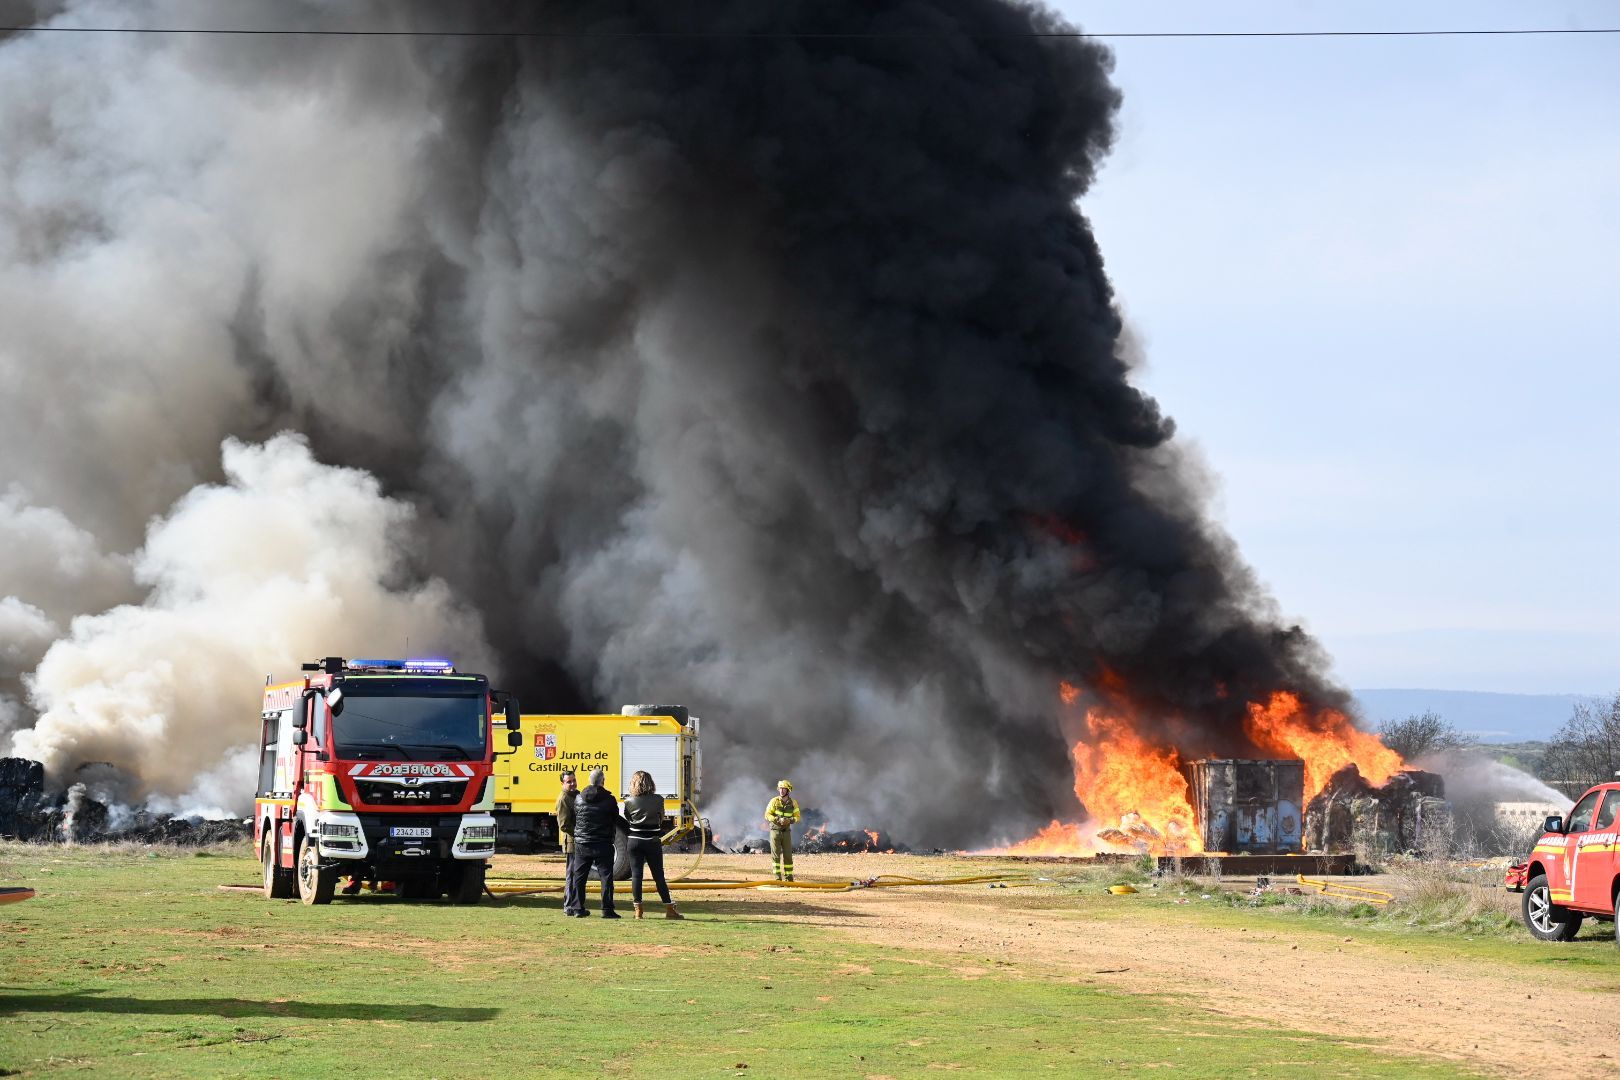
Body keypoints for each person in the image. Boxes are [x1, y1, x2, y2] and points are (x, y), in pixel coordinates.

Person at [623, 769, 683, 920]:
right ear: (650, 783)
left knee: (636, 876)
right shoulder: (658, 800)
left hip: (634, 840)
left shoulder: (629, 801)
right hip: (652, 841)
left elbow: (628, 818)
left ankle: (638, 910)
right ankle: (669, 908)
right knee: (659, 876)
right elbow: (661, 818)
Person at [568, 767, 627, 918]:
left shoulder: (579, 798)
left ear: (589, 780)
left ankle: (578, 908)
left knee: (579, 877)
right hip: (603, 843)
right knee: (606, 877)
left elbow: (576, 817)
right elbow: (614, 818)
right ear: (603, 781)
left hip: (582, 843)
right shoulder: (609, 800)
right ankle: (607, 910)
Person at [764, 779, 800, 882]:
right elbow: (767, 814)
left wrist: (790, 820)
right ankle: (777, 879)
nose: (781, 791)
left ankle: (789, 879)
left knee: (788, 856)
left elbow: (797, 817)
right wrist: (776, 819)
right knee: (776, 857)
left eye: (784, 789)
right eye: (780, 788)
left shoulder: (793, 803)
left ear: (788, 790)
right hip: (775, 831)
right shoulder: (774, 801)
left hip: (786, 832)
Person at [555, 770, 580, 916]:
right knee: (571, 875)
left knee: (577, 875)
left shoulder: (577, 794)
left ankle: (575, 904)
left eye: (574, 780)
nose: (572, 784)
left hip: (578, 841)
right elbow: (564, 825)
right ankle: (568, 905)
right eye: (569, 782)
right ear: (562, 783)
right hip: (572, 842)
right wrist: (580, 833)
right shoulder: (563, 799)